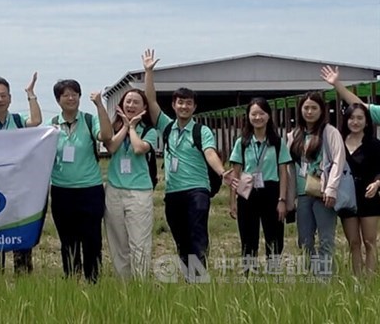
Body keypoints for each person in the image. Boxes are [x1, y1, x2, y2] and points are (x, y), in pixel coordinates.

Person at [142, 49, 235, 279]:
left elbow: (210, 153)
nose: (184, 106)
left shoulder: (200, 130)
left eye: (188, 103)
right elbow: (151, 99)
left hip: (197, 191)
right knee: (180, 237)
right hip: (173, 193)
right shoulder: (166, 126)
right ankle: (189, 276)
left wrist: (222, 172)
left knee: (197, 235)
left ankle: (199, 279)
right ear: (173, 105)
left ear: (194, 107)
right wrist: (149, 72)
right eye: (180, 102)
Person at [0, 73, 42, 275]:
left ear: (10, 98)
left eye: (4, 95)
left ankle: (23, 283)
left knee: (20, 240)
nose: (0, 100)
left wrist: (30, 94)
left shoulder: (19, 121)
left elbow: (37, 120)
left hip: (17, 192)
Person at [48, 78, 112, 283]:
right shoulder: (52, 126)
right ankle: (72, 281)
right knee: (68, 241)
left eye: (74, 94)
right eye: (65, 95)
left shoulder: (89, 119)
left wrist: (100, 105)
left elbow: (106, 135)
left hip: (90, 190)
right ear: (58, 100)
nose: (71, 98)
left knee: (92, 239)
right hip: (61, 191)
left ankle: (93, 280)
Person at [228, 97, 292, 274]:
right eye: (253, 114)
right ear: (248, 116)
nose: (258, 117)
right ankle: (250, 274)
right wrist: (233, 201)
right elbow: (235, 173)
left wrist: (282, 199)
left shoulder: (278, 143)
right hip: (246, 192)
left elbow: (283, 173)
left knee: (275, 236)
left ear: (269, 116)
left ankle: (274, 273)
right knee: (248, 237)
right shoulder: (241, 143)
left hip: (271, 191)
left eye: (261, 113)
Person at [288, 91, 345, 278]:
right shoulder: (293, 135)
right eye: (306, 108)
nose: (310, 112)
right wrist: (289, 198)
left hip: (323, 194)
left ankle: (325, 279)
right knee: (304, 240)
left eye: (314, 108)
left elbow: (338, 160)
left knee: (326, 239)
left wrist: (331, 189)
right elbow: (289, 168)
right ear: (300, 110)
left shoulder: (330, 132)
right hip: (303, 194)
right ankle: (312, 275)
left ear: (322, 110)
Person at [102, 88, 156, 279]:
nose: (131, 105)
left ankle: (141, 286)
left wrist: (132, 127)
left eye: (136, 102)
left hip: (139, 192)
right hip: (114, 190)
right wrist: (124, 126)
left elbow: (139, 148)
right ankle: (123, 285)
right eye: (128, 102)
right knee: (118, 242)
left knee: (139, 242)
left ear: (144, 107)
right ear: (121, 105)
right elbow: (111, 147)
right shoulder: (114, 128)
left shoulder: (150, 130)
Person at [337, 103, 380, 275]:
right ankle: (356, 280)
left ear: (367, 122)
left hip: (369, 197)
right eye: (351, 118)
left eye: (360, 118)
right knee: (353, 242)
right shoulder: (338, 143)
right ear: (346, 120)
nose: (355, 122)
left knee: (370, 241)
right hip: (347, 197)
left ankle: (369, 281)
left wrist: (377, 184)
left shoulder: (375, 144)